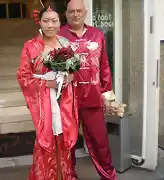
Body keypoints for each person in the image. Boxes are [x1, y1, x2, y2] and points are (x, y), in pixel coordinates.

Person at [32, 0, 117, 179]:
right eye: (71, 11)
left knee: (100, 141)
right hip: (66, 100)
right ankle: (69, 176)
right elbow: (44, 68)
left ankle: (108, 175)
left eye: (79, 11)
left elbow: (105, 67)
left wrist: (107, 95)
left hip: (93, 98)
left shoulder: (97, 34)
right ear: (66, 14)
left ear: (85, 13)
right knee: (67, 145)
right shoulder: (58, 36)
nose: (75, 14)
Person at [17, 6, 79, 180]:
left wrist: (70, 77)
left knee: (64, 137)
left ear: (60, 22)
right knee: (47, 139)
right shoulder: (30, 46)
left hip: (64, 98)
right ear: (39, 22)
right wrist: (46, 83)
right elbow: (23, 76)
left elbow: (73, 69)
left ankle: (64, 176)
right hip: (44, 100)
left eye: (54, 20)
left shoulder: (65, 44)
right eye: (46, 21)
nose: (50, 25)